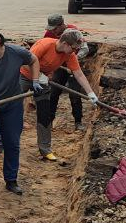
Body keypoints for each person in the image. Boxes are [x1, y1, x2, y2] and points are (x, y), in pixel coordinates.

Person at [0, 28, 47, 195]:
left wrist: (36, 81)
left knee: (12, 143)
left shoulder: (16, 52)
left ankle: (11, 180)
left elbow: (34, 60)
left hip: (12, 104)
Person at [20, 29, 98, 160]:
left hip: (43, 81)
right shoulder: (44, 45)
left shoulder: (69, 54)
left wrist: (90, 92)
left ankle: (45, 149)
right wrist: (37, 76)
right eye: (74, 48)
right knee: (10, 108)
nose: (75, 52)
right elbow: (26, 62)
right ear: (66, 43)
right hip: (24, 77)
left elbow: (78, 73)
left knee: (45, 114)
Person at [42, 14, 93, 129]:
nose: (53, 31)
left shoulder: (74, 32)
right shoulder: (49, 34)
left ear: (62, 25)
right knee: (53, 92)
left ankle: (78, 122)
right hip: (59, 66)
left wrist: (73, 58)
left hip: (74, 65)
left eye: (55, 28)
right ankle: (49, 121)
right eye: (51, 28)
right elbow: (46, 49)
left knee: (74, 93)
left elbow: (85, 49)